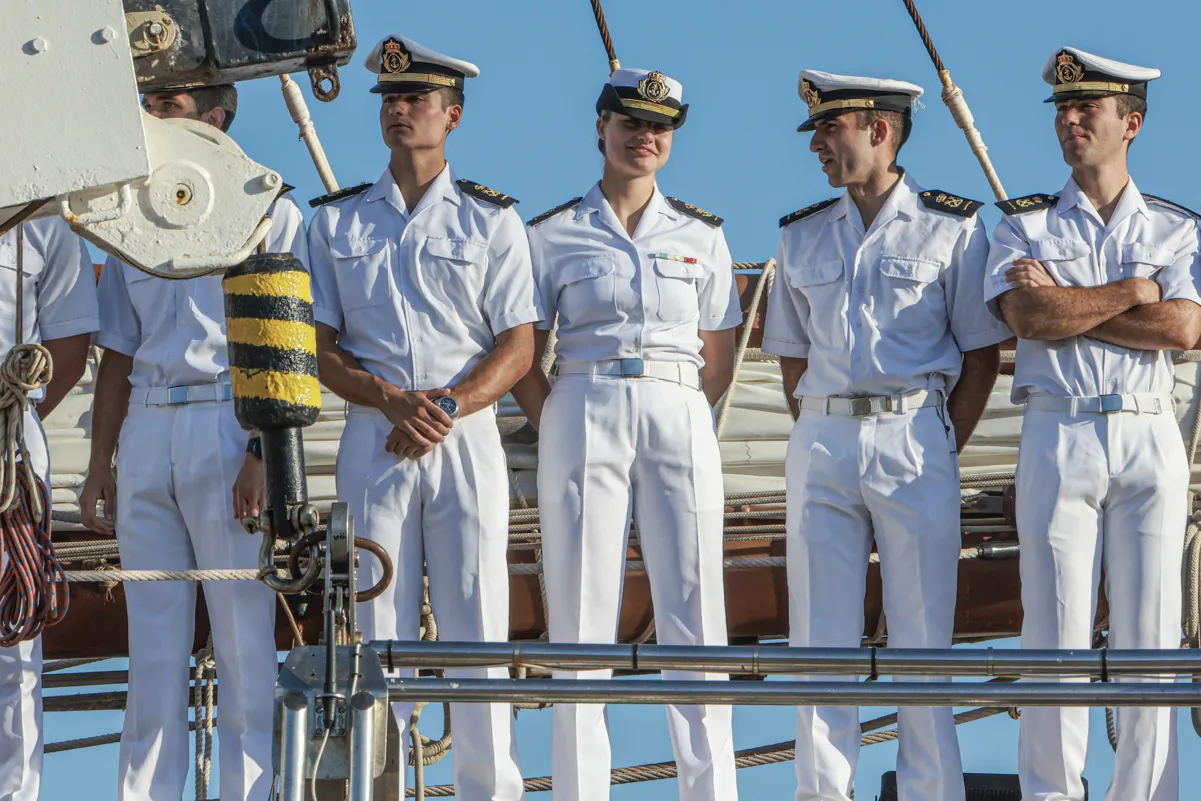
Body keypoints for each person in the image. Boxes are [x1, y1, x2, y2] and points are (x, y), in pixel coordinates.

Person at [762, 71, 1009, 801]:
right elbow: (791, 357)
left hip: (913, 434)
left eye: (827, 129)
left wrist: (936, 442)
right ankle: (821, 792)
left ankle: (933, 792)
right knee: (818, 641)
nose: (816, 145)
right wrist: (820, 425)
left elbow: (979, 353)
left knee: (922, 636)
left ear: (879, 130)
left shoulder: (952, 226)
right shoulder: (799, 231)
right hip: (823, 436)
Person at [307, 35, 535, 801]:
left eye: (414, 100)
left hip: (462, 435)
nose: (398, 109)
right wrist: (388, 400)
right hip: (374, 434)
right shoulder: (334, 225)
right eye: (388, 100)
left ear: (452, 116)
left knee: (478, 624)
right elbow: (319, 347)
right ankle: (382, 789)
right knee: (375, 632)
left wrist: (442, 406)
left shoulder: (491, 221)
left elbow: (517, 345)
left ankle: (489, 791)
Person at [510, 67, 741, 801]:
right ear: (601, 129)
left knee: (696, 614)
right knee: (580, 617)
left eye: (660, 127)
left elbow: (720, 349)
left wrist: (674, 404)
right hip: (583, 398)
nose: (646, 137)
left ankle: (711, 790)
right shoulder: (550, 234)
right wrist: (560, 422)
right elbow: (524, 349)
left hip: (677, 405)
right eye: (631, 123)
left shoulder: (702, 233)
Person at [78, 84, 306, 801]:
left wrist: (262, 453)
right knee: (152, 644)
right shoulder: (128, 219)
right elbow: (117, 349)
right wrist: (99, 466)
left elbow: (286, 343)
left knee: (242, 638)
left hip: (226, 419)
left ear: (215, 116)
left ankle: (251, 791)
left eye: (168, 103)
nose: (151, 117)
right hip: (147, 424)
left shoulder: (271, 211)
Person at [985, 48, 1201, 801]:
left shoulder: (1176, 227)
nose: (1069, 121)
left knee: (1151, 636)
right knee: (1052, 636)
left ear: (1129, 123)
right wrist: (1131, 292)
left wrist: (1078, 302)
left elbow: (1180, 329)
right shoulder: (1022, 224)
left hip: (1146, 433)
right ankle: (1051, 793)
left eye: (1086, 110)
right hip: (1058, 430)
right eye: (1061, 111)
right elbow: (1028, 316)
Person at [0, 219, 98, 801]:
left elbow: (69, 343)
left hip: (9, 447)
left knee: (14, 644)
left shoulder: (44, 228)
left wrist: (13, 408)